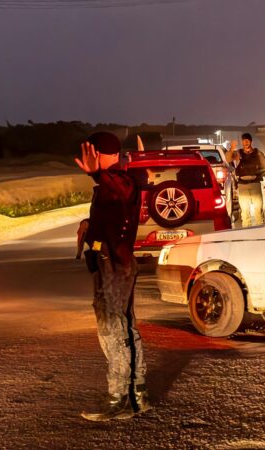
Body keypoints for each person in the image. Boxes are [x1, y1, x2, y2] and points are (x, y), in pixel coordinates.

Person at [74, 131, 149, 421]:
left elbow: (120, 192)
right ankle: (137, 395)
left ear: (107, 154)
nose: (87, 158)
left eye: (93, 153)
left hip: (115, 266)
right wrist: (89, 225)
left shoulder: (122, 179)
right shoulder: (111, 183)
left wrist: (97, 174)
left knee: (113, 331)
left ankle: (118, 398)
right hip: (110, 264)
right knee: (124, 327)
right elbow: (113, 212)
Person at [231, 133, 265, 227]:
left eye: (247, 140)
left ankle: (260, 229)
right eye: (244, 141)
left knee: (258, 209)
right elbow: (228, 158)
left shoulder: (258, 153)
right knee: (245, 211)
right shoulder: (238, 153)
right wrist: (231, 149)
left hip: (255, 184)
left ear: (251, 141)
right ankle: (246, 229)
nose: (245, 142)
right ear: (241, 142)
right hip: (242, 185)